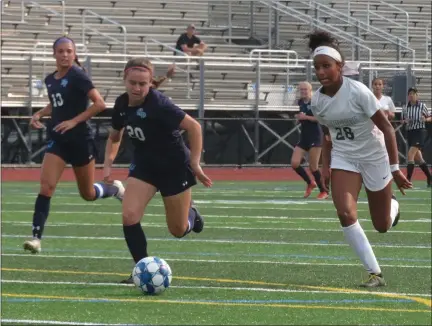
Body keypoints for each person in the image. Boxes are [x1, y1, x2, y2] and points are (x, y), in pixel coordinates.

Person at [307, 30, 412, 287]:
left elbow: (387, 128)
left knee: (382, 225)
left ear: (339, 66)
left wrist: (395, 168)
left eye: (326, 66)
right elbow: (327, 135)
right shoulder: (317, 102)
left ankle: (393, 206)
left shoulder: (358, 92)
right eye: (317, 67)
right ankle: (374, 272)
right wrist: (325, 166)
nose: (321, 72)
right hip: (345, 156)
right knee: (344, 212)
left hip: (374, 155)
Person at [103, 57, 212, 283]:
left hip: (174, 167)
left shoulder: (159, 104)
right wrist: (108, 163)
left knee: (178, 230)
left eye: (142, 84)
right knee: (129, 215)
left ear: (150, 83)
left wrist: (195, 163)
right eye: (132, 82)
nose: (137, 88)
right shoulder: (121, 104)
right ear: (124, 80)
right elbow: (115, 135)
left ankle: (192, 215)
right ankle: (140, 272)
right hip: (145, 165)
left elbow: (194, 127)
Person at [23, 36, 125, 254]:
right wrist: (40, 113)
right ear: (54, 54)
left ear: (74, 53)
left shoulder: (78, 76)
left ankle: (113, 189)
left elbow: (99, 103)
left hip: (81, 141)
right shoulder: (50, 80)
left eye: (69, 51)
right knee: (46, 186)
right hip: (59, 140)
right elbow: (57, 102)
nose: (65, 55)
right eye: (60, 51)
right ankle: (36, 238)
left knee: (87, 194)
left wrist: (74, 121)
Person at [291, 81, 328, 199]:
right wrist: (298, 119)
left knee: (313, 167)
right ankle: (310, 183)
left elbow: (321, 118)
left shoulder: (315, 102)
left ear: (310, 90)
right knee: (295, 163)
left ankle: (324, 190)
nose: (303, 92)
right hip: (304, 136)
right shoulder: (301, 102)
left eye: (305, 89)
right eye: (301, 89)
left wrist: (305, 117)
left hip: (315, 136)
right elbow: (303, 117)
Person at [402, 87, 432, 187]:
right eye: (410, 94)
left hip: (420, 132)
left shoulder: (422, 106)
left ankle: (408, 180)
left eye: (413, 93)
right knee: (419, 159)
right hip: (410, 132)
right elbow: (403, 121)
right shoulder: (405, 108)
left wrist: (426, 119)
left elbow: (429, 117)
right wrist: (405, 122)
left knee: (410, 155)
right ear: (408, 96)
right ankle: (430, 178)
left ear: (417, 95)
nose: (411, 95)